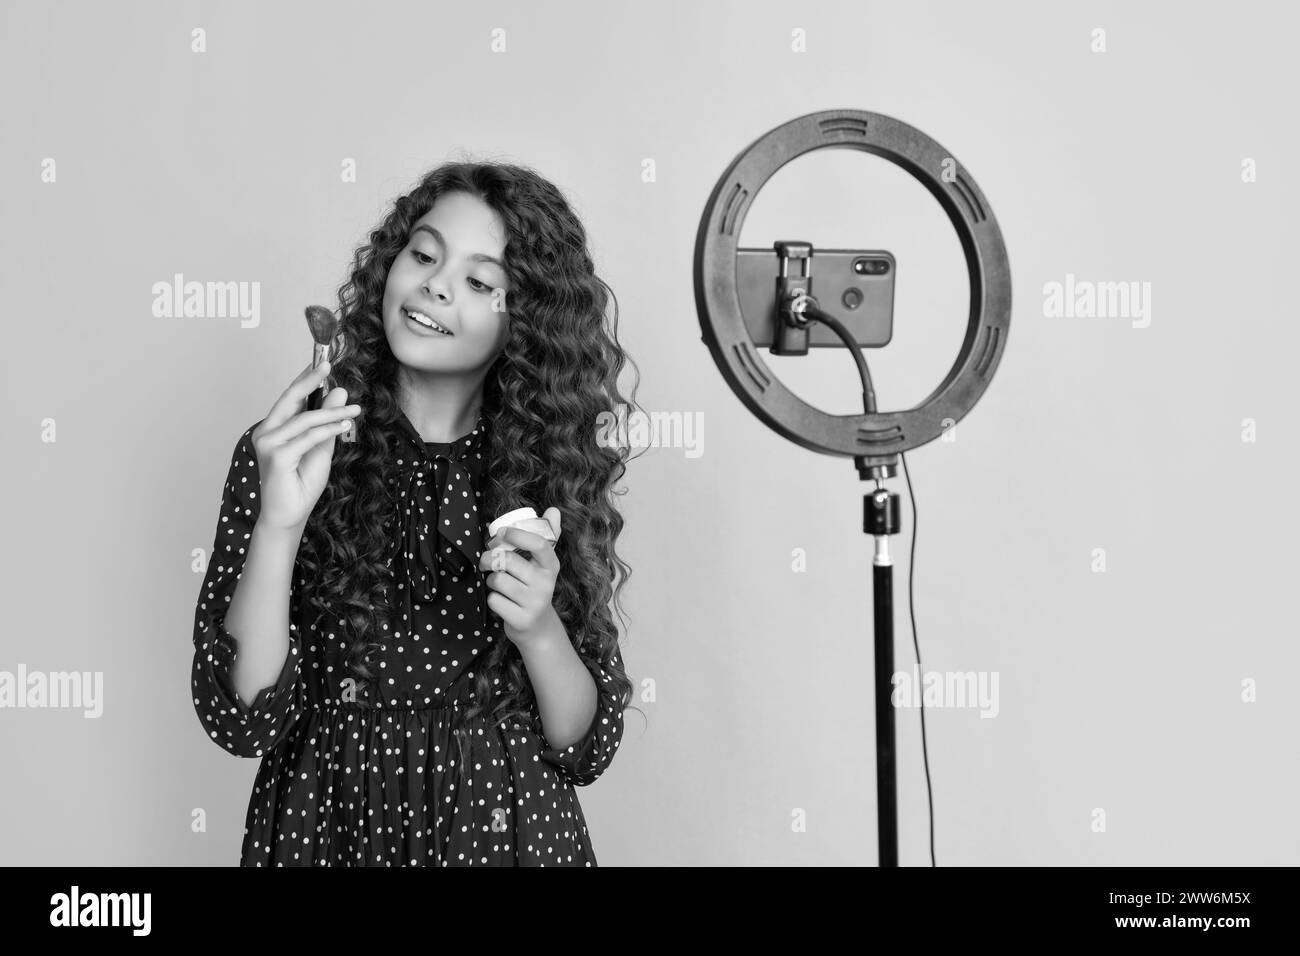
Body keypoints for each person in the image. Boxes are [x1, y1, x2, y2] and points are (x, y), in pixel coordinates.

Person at [190, 161, 643, 866]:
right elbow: (243, 719)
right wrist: (280, 523)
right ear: (391, 264)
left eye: (480, 281)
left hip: (506, 829)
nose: (435, 283)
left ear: (524, 322)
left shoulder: (546, 469)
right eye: (425, 254)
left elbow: (585, 745)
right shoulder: (291, 448)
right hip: (327, 825)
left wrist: (540, 628)